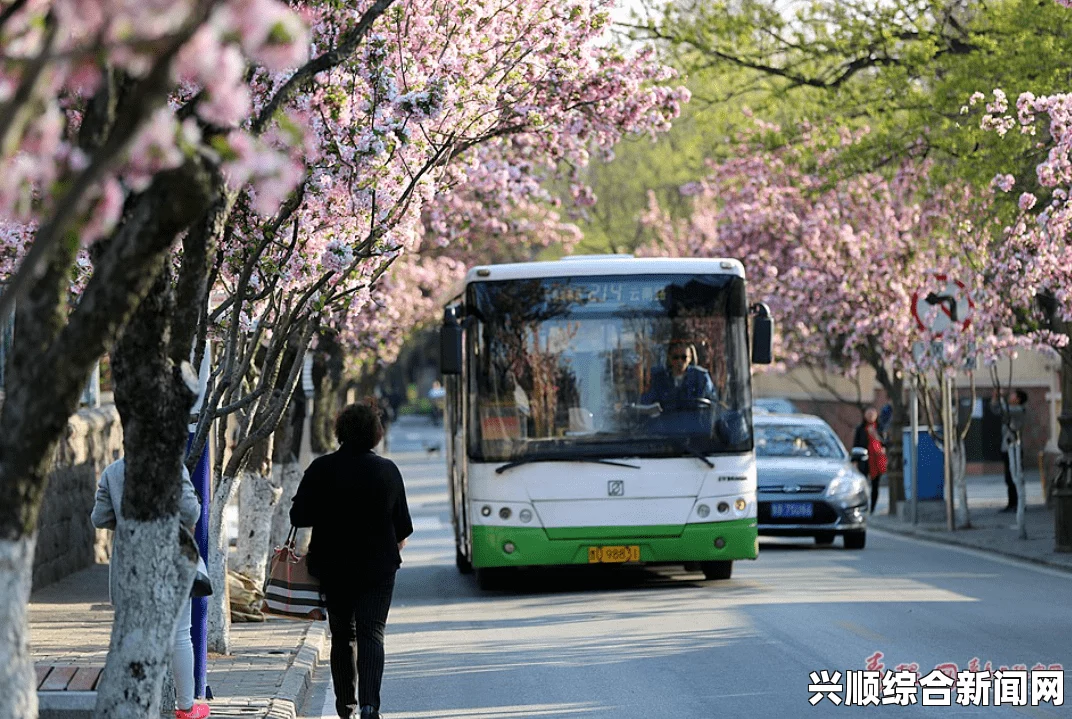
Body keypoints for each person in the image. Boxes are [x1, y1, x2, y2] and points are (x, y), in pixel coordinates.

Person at [291, 402, 414, 719]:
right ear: (375, 433)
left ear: (340, 433)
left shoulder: (322, 468)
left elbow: (298, 515)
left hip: (333, 567)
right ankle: (370, 705)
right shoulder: (387, 470)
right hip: (379, 568)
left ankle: (345, 706)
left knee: (343, 635)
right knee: (372, 633)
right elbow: (403, 526)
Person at [91, 459, 209, 719]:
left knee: (132, 634)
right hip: (169, 560)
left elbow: (99, 517)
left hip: (129, 566)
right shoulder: (172, 467)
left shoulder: (113, 471)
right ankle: (186, 707)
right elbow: (191, 512)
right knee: (180, 634)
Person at [640, 342, 717, 411]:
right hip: (666, 423)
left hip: (695, 423)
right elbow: (647, 403)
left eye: (684, 357)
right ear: (670, 358)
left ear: (690, 358)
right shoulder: (659, 379)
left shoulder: (701, 377)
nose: (679, 361)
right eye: (675, 357)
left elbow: (713, 403)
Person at [990, 388, 1028, 512]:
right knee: (1009, 477)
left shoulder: (1018, 410)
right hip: (1007, 447)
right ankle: (1012, 503)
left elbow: (1002, 409)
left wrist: (1000, 397)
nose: (1010, 396)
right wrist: (996, 398)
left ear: (1018, 399)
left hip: (1015, 448)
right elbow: (996, 410)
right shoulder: (1010, 410)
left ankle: (1019, 503)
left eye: (1013, 395)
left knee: (1016, 476)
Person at [853, 407, 886, 513]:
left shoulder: (880, 428)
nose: (871, 416)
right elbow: (856, 445)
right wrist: (855, 461)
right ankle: (863, 506)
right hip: (864, 459)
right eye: (869, 414)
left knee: (875, 485)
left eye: (873, 414)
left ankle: (872, 508)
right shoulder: (860, 429)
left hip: (877, 459)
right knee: (863, 485)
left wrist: (875, 435)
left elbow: (885, 443)